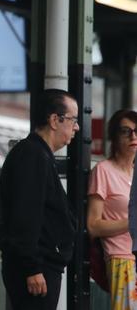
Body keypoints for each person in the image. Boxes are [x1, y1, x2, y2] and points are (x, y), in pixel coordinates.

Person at [0, 88, 78, 310]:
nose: (77, 127)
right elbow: (25, 215)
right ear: (55, 120)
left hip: (41, 265)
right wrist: (31, 267)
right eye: (73, 120)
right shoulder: (32, 155)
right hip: (35, 268)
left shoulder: (38, 154)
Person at [87, 109, 137, 309]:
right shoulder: (103, 170)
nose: (133, 136)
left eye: (136, 130)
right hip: (122, 258)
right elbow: (93, 226)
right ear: (114, 137)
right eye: (126, 131)